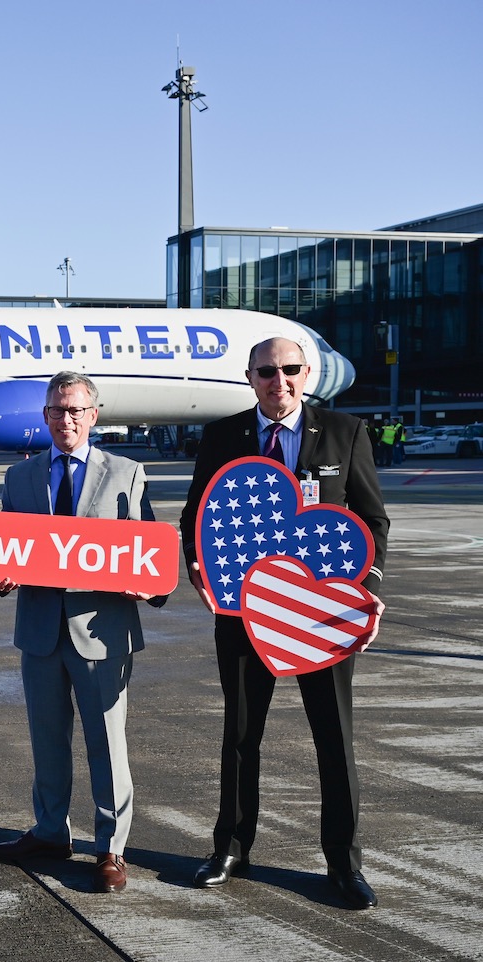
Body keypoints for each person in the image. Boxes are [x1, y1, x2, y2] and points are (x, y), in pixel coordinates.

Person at [180, 337, 389, 910]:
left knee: (333, 737)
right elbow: (196, 512)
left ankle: (344, 864)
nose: (280, 381)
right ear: (249, 377)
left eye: (290, 370)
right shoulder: (224, 436)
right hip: (245, 612)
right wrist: (200, 570)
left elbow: (373, 520)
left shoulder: (345, 432)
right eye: (267, 372)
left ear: (307, 372)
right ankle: (231, 846)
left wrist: (363, 596)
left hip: (322, 613)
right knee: (242, 733)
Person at [0, 372, 166, 894]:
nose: (66, 419)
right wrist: (3, 576)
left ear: (93, 416)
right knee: (47, 740)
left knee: (107, 743)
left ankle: (111, 847)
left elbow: (150, 551)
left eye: (76, 410)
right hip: (40, 630)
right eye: (57, 410)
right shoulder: (20, 479)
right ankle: (49, 832)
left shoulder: (128, 473)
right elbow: (6, 551)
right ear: (44, 417)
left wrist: (148, 588)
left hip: (102, 630)